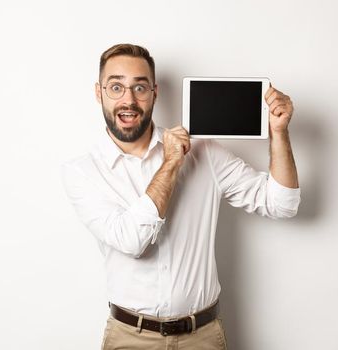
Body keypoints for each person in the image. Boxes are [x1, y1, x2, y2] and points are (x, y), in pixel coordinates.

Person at [61, 43, 301, 350]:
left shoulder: (206, 153)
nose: (129, 100)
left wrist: (279, 133)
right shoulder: (82, 172)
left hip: (202, 336)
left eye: (140, 87)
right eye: (116, 87)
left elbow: (282, 204)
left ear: (155, 92)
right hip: (129, 339)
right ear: (99, 92)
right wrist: (172, 162)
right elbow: (132, 241)